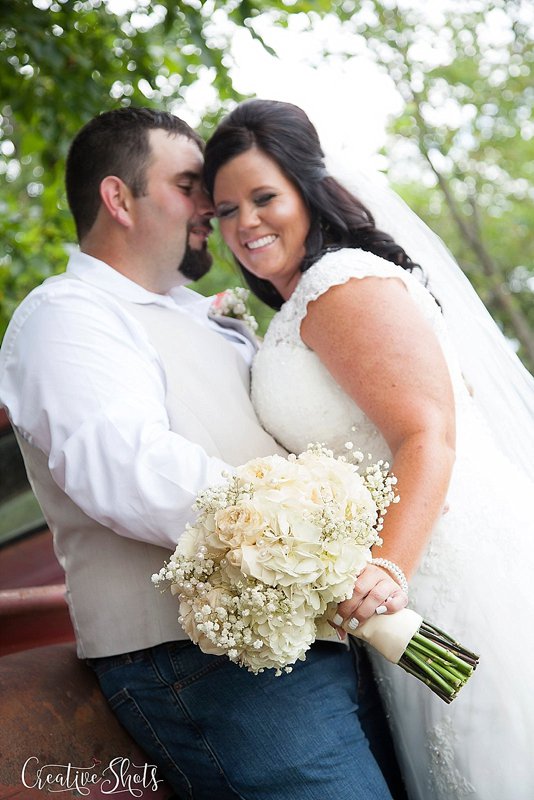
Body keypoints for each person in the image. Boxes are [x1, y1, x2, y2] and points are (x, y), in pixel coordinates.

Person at [0, 107, 405, 800]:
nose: (211, 207)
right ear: (118, 198)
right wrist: (311, 536)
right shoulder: (67, 316)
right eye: (191, 185)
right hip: (200, 663)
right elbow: (126, 469)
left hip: (311, 635)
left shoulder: (196, 311)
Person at [203, 98, 534, 800]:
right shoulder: (300, 307)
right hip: (396, 597)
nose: (245, 224)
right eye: (226, 210)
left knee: (498, 753)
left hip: (445, 567)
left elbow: (427, 432)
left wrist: (388, 567)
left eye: (264, 197)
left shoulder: (341, 283)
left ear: (307, 189)